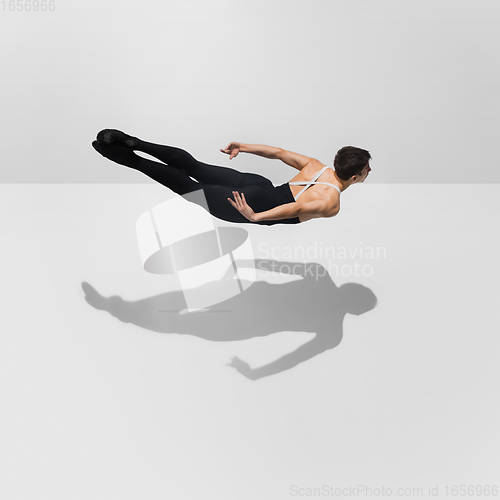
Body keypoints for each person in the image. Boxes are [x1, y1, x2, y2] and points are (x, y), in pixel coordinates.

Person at [92, 129, 372, 225]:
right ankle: (132, 158)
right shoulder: (332, 201)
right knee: (189, 188)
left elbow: (277, 152)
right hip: (254, 203)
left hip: (259, 184)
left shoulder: (316, 165)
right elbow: (298, 208)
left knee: (195, 166)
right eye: (367, 170)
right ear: (356, 176)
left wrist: (243, 147)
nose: (368, 172)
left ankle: (136, 143)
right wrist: (256, 216)